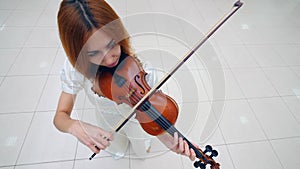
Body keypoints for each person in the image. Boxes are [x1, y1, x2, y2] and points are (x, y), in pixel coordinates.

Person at [54, 0, 197, 161]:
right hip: (106, 123)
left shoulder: (141, 70)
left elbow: (147, 111)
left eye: (112, 45)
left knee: (141, 150)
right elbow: (60, 117)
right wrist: (75, 126)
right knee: (117, 148)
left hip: (137, 124)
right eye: (94, 54)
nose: (109, 60)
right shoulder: (77, 68)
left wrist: (169, 139)